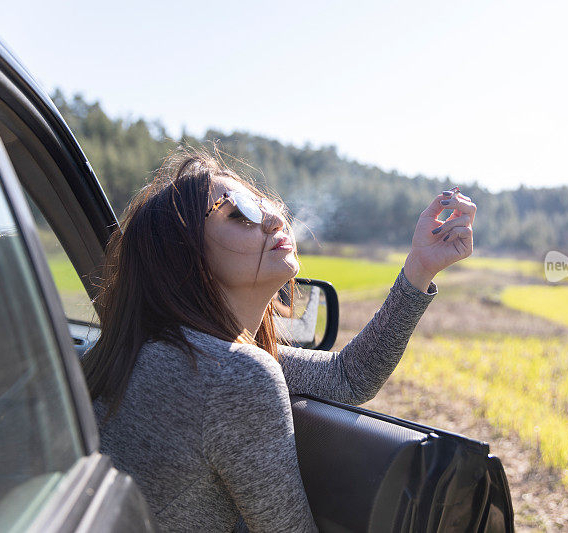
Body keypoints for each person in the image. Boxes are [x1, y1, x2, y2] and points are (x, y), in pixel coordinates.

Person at [80, 147, 476, 532]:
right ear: (183, 256)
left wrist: (420, 267)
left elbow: (347, 377)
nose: (273, 220)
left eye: (264, 203)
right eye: (241, 213)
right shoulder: (231, 376)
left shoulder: (136, 351)